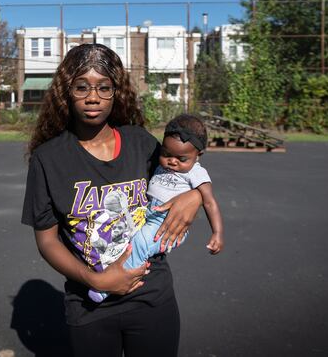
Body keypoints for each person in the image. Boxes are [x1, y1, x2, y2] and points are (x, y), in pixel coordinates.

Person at [21, 43, 203, 357]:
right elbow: (47, 240)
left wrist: (196, 195)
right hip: (90, 307)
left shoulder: (140, 143)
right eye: (82, 87)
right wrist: (96, 281)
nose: (93, 97)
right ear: (67, 92)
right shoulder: (48, 159)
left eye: (104, 88)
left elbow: (184, 172)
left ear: (116, 92)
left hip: (152, 298)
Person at [87, 113, 224, 303]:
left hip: (167, 224)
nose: (172, 161)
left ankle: (111, 286)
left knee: (139, 244)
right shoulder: (162, 164)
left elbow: (209, 202)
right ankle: (113, 269)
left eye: (181, 158)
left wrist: (217, 233)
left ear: (197, 156)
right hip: (149, 214)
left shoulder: (196, 172)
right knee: (124, 239)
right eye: (167, 154)